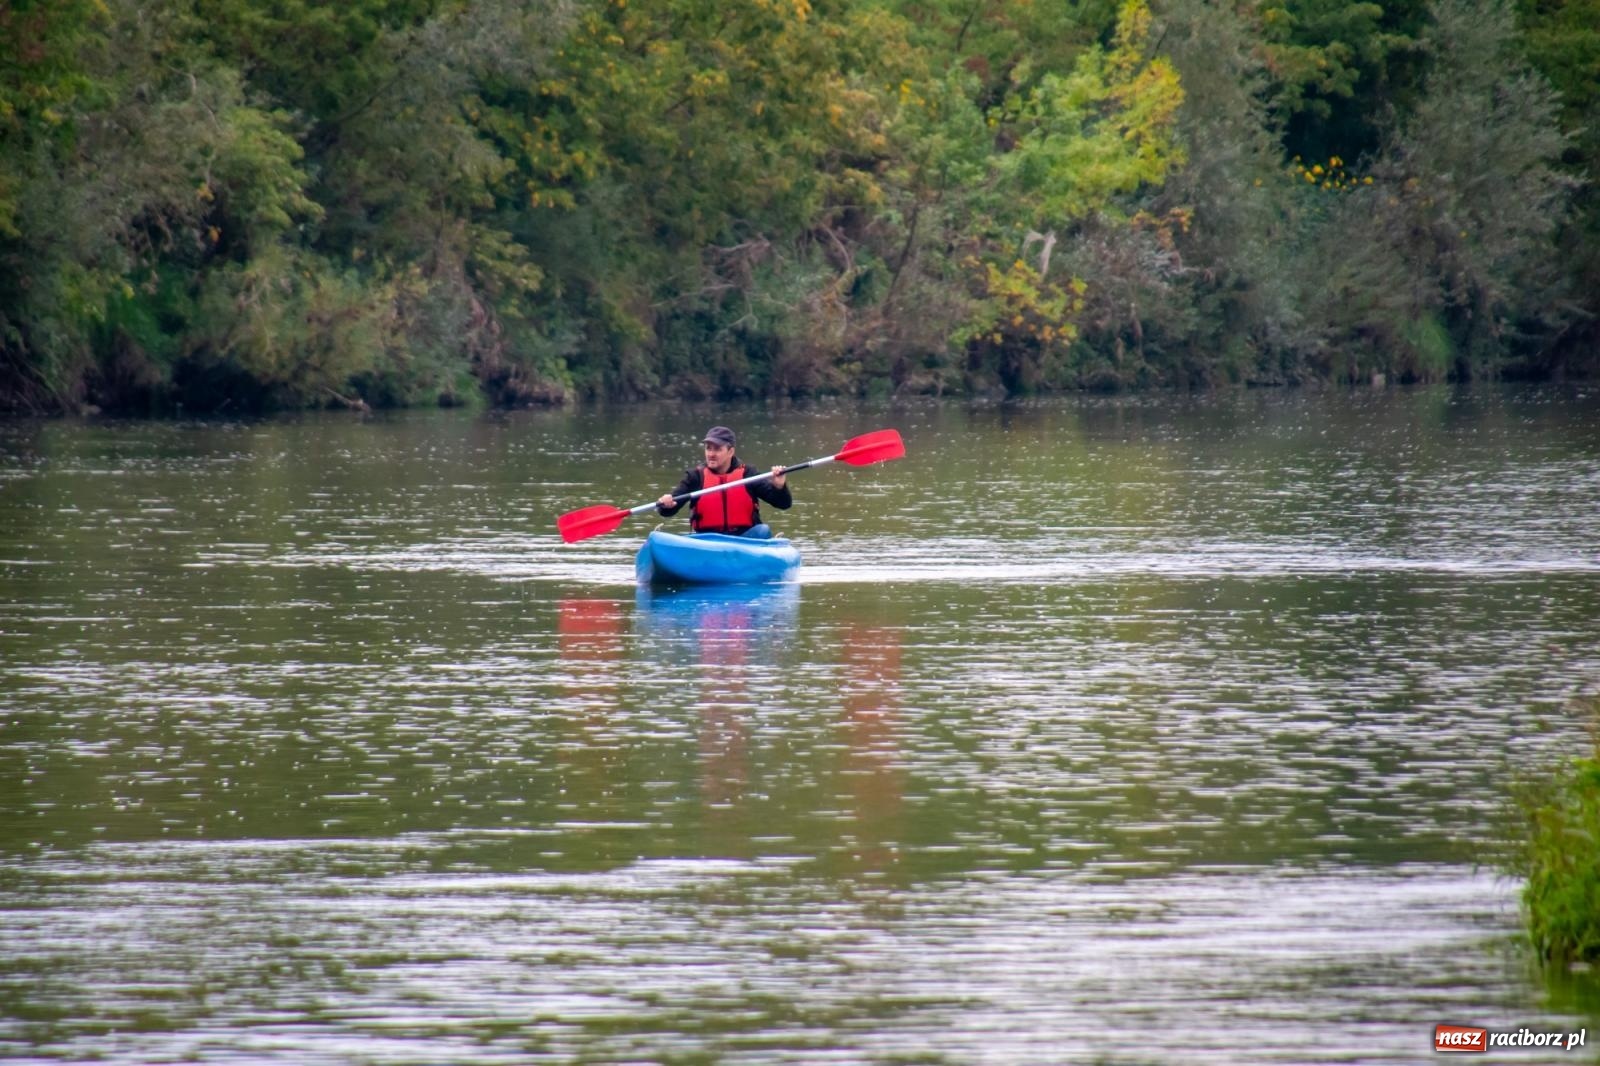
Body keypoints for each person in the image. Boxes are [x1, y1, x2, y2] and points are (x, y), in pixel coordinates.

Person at [656, 426, 791, 537]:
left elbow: (783, 504)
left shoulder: (748, 474)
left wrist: (779, 487)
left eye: (717, 449)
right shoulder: (695, 476)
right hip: (706, 540)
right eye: (708, 448)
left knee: (763, 530)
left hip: (745, 539)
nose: (711, 454)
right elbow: (669, 509)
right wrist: (666, 504)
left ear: (730, 451)